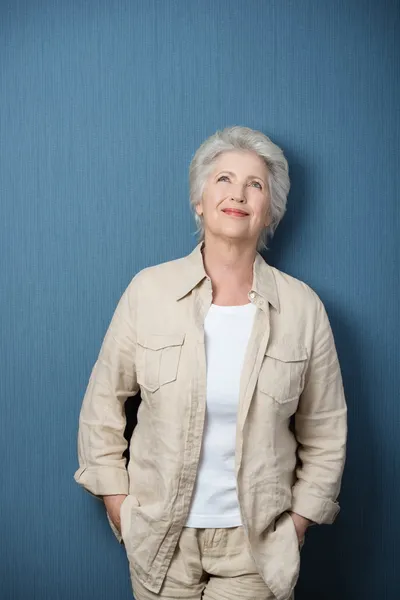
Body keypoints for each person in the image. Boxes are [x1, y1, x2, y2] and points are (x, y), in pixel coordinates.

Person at [74, 126, 347, 600]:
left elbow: (325, 431)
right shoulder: (149, 292)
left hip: (256, 550)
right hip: (161, 539)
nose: (238, 194)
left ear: (269, 212)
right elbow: (101, 409)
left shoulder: (304, 309)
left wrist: (298, 523)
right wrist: (120, 505)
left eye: (255, 184)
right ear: (199, 200)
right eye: (223, 179)